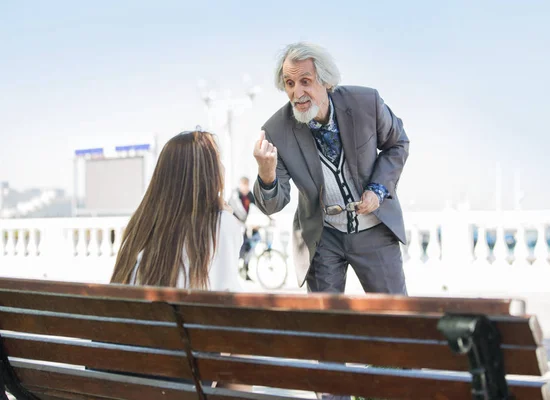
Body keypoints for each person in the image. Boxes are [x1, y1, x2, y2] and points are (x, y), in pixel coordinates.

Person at [253, 42, 410, 295]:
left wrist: (377, 189)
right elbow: (272, 205)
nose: (297, 92)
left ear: (326, 81)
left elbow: (398, 143)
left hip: (375, 231)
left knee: (394, 316)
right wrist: (266, 173)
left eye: (305, 81)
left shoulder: (365, 102)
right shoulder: (275, 131)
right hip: (322, 237)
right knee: (324, 323)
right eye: (290, 84)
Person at [111, 129, 243, 291]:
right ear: (207, 173)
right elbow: (227, 295)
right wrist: (225, 217)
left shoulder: (141, 228)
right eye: (218, 159)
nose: (223, 167)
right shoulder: (221, 224)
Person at [228, 176, 260, 280]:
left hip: (246, 226)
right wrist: (246, 224)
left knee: (254, 240)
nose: (246, 187)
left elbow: (258, 208)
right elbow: (236, 212)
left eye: (247, 185)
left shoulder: (250, 196)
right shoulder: (235, 196)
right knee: (239, 248)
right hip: (235, 226)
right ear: (240, 185)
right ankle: (236, 269)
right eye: (244, 185)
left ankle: (245, 268)